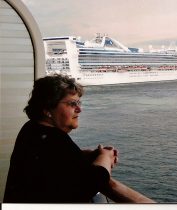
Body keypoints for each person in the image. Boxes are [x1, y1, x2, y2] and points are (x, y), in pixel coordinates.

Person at [4, 75, 118, 203]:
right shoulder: (53, 140)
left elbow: (55, 161)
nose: (79, 109)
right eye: (72, 104)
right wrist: (105, 157)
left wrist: (89, 156)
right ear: (48, 109)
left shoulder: (32, 128)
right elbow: (92, 184)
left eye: (78, 103)